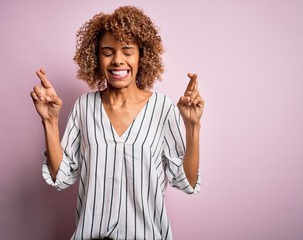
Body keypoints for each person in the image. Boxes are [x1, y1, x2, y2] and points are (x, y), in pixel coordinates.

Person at [30, 6, 204, 240]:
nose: (118, 60)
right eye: (108, 51)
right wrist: (50, 121)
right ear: (96, 57)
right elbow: (60, 176)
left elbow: (187, 182)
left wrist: (192, 126)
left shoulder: (162, 109)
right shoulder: (84, 107)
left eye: (127, 51)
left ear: (142, 56)